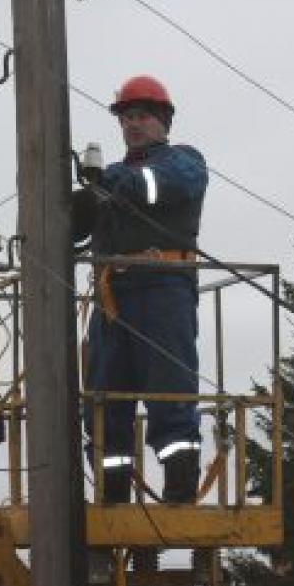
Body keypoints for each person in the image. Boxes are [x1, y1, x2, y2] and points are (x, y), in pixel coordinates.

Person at [73, 75, 207, 505]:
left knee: (169, 391)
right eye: (127, 117)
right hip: (113, 299)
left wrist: (107, 183)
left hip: (163, 290)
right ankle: (112, 496)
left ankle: (180, 492)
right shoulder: (112, 180)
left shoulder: (184, 161)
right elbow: (78, 228)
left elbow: (155, 185)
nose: (134, 124)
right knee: (105, 400)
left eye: (143, 116)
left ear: (163, 121)